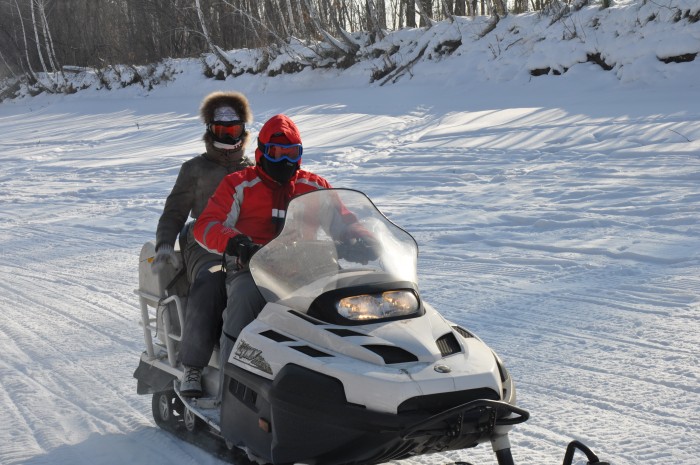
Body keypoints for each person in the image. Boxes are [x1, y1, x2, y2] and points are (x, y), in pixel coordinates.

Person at [193, 114, 336, 393]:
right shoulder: (239, 184)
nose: (283, 160)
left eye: (290, 153)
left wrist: (361, 238)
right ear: (262, 152)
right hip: (252, 270)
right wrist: (236, 242)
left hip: (306, 271)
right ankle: (231, 394)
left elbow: (346, 219)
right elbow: (206, 225)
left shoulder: (315, 186)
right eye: (276, 153)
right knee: (245, 298)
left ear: (300, 154)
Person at [151, 91, 254, 398]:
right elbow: (174, 212)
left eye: (234, 131)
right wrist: (164, 245)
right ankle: (193, 366)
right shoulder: (195, 169)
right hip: (204, 243)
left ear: (243, 132)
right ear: (210, 131)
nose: (228, 138)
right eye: (222, 131)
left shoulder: (252, 169)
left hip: (246, 244)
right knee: (212, 282)